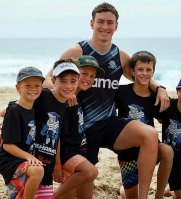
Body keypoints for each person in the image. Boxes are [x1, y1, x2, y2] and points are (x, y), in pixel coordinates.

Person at [44, 3, 169, 198]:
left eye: (110, 22)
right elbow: (47, 80)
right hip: (80, 127)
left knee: (150, 134)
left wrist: (159, 88)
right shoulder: (77, 51)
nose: (105, 26)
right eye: (100, 21)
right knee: (82, 190)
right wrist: (67, 92)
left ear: (116, 26)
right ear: (92, 23)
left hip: (108, 123)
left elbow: (140, 75)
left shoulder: (119, 56)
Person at [115, 51, 173, 199]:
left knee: (167, 151)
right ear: (132, 71)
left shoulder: (156, 97)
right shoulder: (121, 92)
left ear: (153, 71)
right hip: (128, 152)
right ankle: (122, 187)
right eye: (140, 69)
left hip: (150, 149)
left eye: (148, 70)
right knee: (130, 196)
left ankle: (158, 196)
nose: (144, 73)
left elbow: (168, 117)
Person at [53, 55, 104, 199]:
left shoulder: (79, 97)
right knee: (90, 172)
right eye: (84, 74)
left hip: (80, 152)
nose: (88, 78)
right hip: (66, 154)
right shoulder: (60, 97)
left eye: (92, 76)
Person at [34, 59, 81, 198]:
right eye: (63, 81)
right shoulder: (43, 95)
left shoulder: (67, 106)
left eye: (73, 81)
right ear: (54, 80)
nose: (68, 86)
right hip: (29, 162)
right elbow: (16, 108)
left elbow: (57, 137)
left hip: (47, 163)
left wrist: (58, 165)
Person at [0, 67, 45, 199]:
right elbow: (7, 145)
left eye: (37, 85)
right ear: (18, 87)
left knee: (19, 193)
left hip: (21, 156)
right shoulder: (15, 111)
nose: (33, 89)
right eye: (28, 85)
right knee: (37, 170)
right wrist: (29, 157)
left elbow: (5, 110)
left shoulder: (31, 106)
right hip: (10, 159)